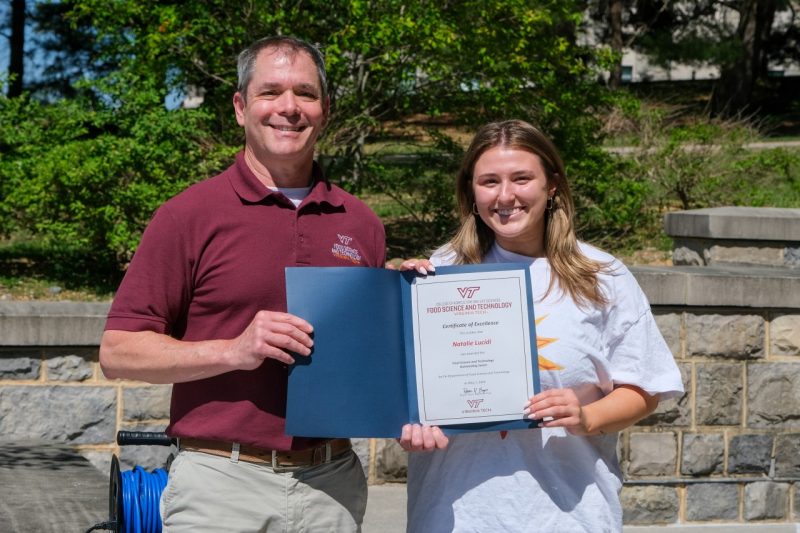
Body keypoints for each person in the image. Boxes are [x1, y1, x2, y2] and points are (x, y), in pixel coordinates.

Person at [100, 35, 385, 532]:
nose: (289, 108)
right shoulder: (188, 216)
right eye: (270, 92)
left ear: (326, 110)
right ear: (240, 106)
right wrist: (233, 350)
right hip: (219, 486)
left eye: (306, 93)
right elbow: (118, 352)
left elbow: (378, 360)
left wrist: (415, 305)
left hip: (332, 487)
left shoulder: (361, 223)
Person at [398, 119, 683, 532]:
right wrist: (399, 296)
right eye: (489, 181)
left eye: (522, 178)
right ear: (470, 192)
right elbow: (402, 394)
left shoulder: (602, 275)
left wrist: (586, 415)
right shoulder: (436, 276)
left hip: (567, 515)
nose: (505, 195)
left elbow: (645, 389)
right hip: (454, 515)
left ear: (551, 185)